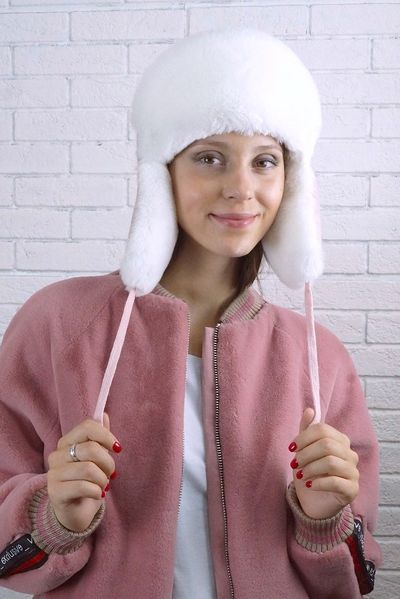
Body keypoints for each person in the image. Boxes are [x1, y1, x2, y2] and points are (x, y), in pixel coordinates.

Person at [0, 28, 382, 598]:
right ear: (163, 174)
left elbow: (359, 577)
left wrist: (323, 519)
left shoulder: (319, 357)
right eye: (210, 158)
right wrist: (55, 518)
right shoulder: (58, 325)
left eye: (265, 161)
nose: (241, 189)